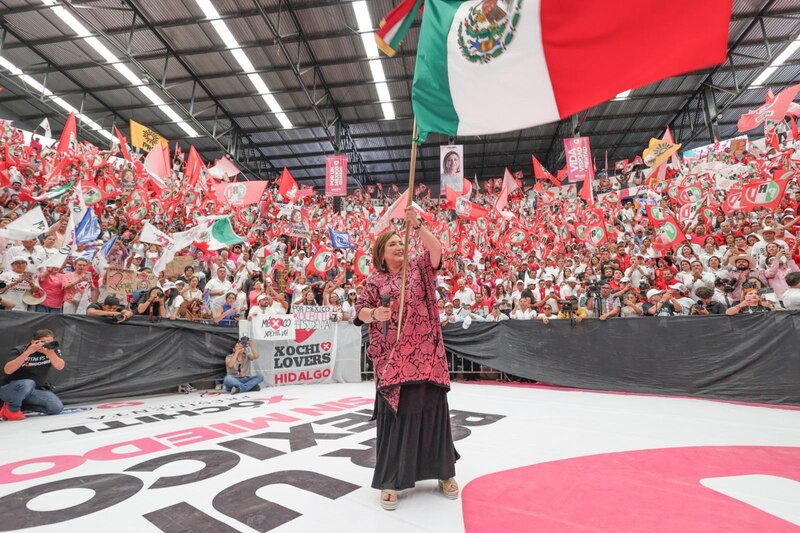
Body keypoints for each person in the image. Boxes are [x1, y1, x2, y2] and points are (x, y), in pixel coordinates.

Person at [356, 206, 458, 511]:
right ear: (381, 253)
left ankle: (444, 473)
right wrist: (375, 313)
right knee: (395, 418)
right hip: (391, 359)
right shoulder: (374, 282)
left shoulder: (419, 267)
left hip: (426, 355)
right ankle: (390, 479)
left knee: (433, 413)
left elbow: (437, 251)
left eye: (401, 241)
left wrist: (419, 224)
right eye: (392, 244)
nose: (399, 246)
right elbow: (359, 312)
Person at [0, 329, 65, 420]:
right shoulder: (20, 350)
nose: (47, 344)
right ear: (34, 341)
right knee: (28, 383)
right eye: (44, 342)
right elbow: (8, 370)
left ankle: (16, 406)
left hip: (32, 391)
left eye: (50, 342)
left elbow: (60, 366)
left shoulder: (52, 350)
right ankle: (13, 410)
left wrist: (50, 353)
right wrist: (27, 353)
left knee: (56, 408)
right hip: (10, 389)